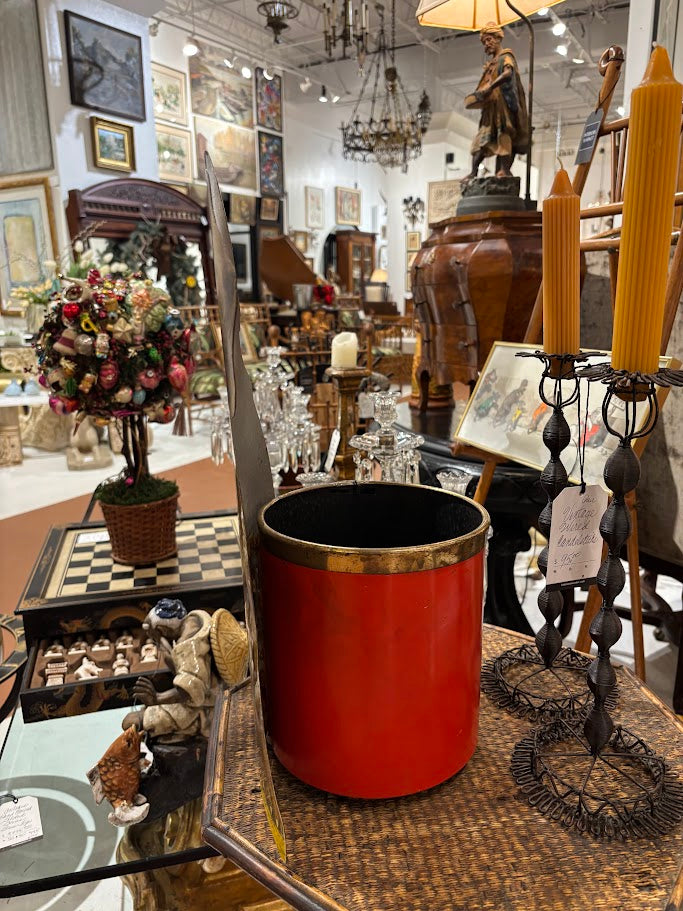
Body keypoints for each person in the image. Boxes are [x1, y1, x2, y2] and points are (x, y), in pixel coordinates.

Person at [122, 599, 216, 743]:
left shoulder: (189, 646)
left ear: (163, 630)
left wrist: (157, 698)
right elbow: (179, 667)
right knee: (143, 710)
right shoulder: (194, 620)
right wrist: (160, 641)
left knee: (130, 721)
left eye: (156, 634)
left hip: (204, 710)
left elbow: (194, 694)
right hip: (206, 700)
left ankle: (189, 730)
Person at [465, 22, 529, 178]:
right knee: (482, 139)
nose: (487, 44)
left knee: (503, 135)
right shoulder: (491, 64)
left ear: (498, 38)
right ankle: (473, 173)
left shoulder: (506, 56)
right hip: (490, 108)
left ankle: (504, 170)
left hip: (503, 107)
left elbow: (508, 73)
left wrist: (491, 87)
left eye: (489, 39)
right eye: (484, 42)